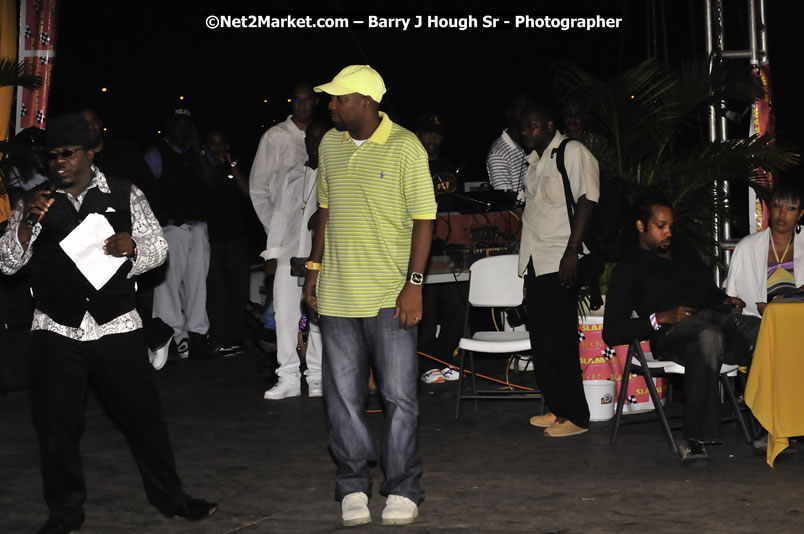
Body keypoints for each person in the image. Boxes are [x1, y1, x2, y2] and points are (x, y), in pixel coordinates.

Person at [0, 114, 216, 534]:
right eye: (53, 156)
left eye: (68, 154)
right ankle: (65, 512)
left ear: (89, 153)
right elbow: (7, 264)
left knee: (144, 419)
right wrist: (26, 224)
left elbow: (158, 249)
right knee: (57, 426)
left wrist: (133, 247)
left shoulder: (124, 193)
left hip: (116, 325)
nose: (59, 162)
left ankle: (171, 498)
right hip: (57, 328)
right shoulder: (35, 201)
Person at [304, 65, 436, 526]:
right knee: (342, 399)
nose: (331, 104)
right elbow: (324, 210)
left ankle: (403, 488)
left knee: (400, 397)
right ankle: (352, 485)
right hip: (337, 295)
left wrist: (413, 286)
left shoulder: (405, 148)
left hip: (389, 295)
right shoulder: (329, 146)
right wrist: (313, 269)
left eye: (339, 98)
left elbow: (424, 220)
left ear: (366, 101)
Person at [603, 191, 761, 463]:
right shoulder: (628, 268)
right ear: (641, 226)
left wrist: (726, 301)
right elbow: (613, 331)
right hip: (670, 334)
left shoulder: (684, 252)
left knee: (763, 330)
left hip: (711, 319)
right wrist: (659, 318)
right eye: (660, 226)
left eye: (670, 226)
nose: (668, 232)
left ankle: (771, 425)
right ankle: (694, 438)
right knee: (708, 336)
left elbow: (707, 292)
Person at [519, 103, 597, 438]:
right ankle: (558, 407)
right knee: (542, 340)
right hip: (537, 262)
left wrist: (572, 250)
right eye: (523, 127)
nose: (527, 132)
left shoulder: (572, 151)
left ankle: (576, 415)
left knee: (561, 339)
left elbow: (588, 199)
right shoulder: (535, 163)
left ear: (550, 124)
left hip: (561, 258)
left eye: (533, 125)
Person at [262, 120, 327, 399]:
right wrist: (273, 253)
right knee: (284, 314)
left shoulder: (336, 173)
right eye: (310, 138)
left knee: (317, 315)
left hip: (320, 256)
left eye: (319, 138)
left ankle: (317, 376)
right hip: (289, 255)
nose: (314, 143)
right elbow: (278, 216)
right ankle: (287, 376)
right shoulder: (291, 175)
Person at [145, 108, 214, 359]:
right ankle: (173, 336)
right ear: (169, 127)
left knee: (198, 284)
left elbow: (211, 183)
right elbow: (145, 192)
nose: (182, 130)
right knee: (168, 286)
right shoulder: (156, 153)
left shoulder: (197, 153)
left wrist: (198, 150)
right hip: (171, 227)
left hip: (198, 228)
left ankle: (197, 333)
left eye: (187, 125)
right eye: (178, 125)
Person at [202, 130, 251, 356]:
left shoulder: (234, 165)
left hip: (237, 237)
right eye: (213, 143)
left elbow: (248, 191)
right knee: (217, 291)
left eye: (221, 143)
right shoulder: (203, 166)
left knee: (239, 290)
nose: (217, 148)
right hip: (212, 239)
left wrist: (231, 163)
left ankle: (236, 338)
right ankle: (221, 339)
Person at [725, 179, 804, 317]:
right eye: (777, 206)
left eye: (791, 208)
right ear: (769, 208)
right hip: (757, 323)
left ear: (800, 214)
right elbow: (730, 297)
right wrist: (734, 306)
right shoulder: (747, 246)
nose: (782, 213)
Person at [486, 93, 531, 196]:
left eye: (528, 109)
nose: (525, 114)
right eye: (521, 109)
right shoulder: (499, 153)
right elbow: (507, 204)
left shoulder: (532, 145)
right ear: (509, 114)